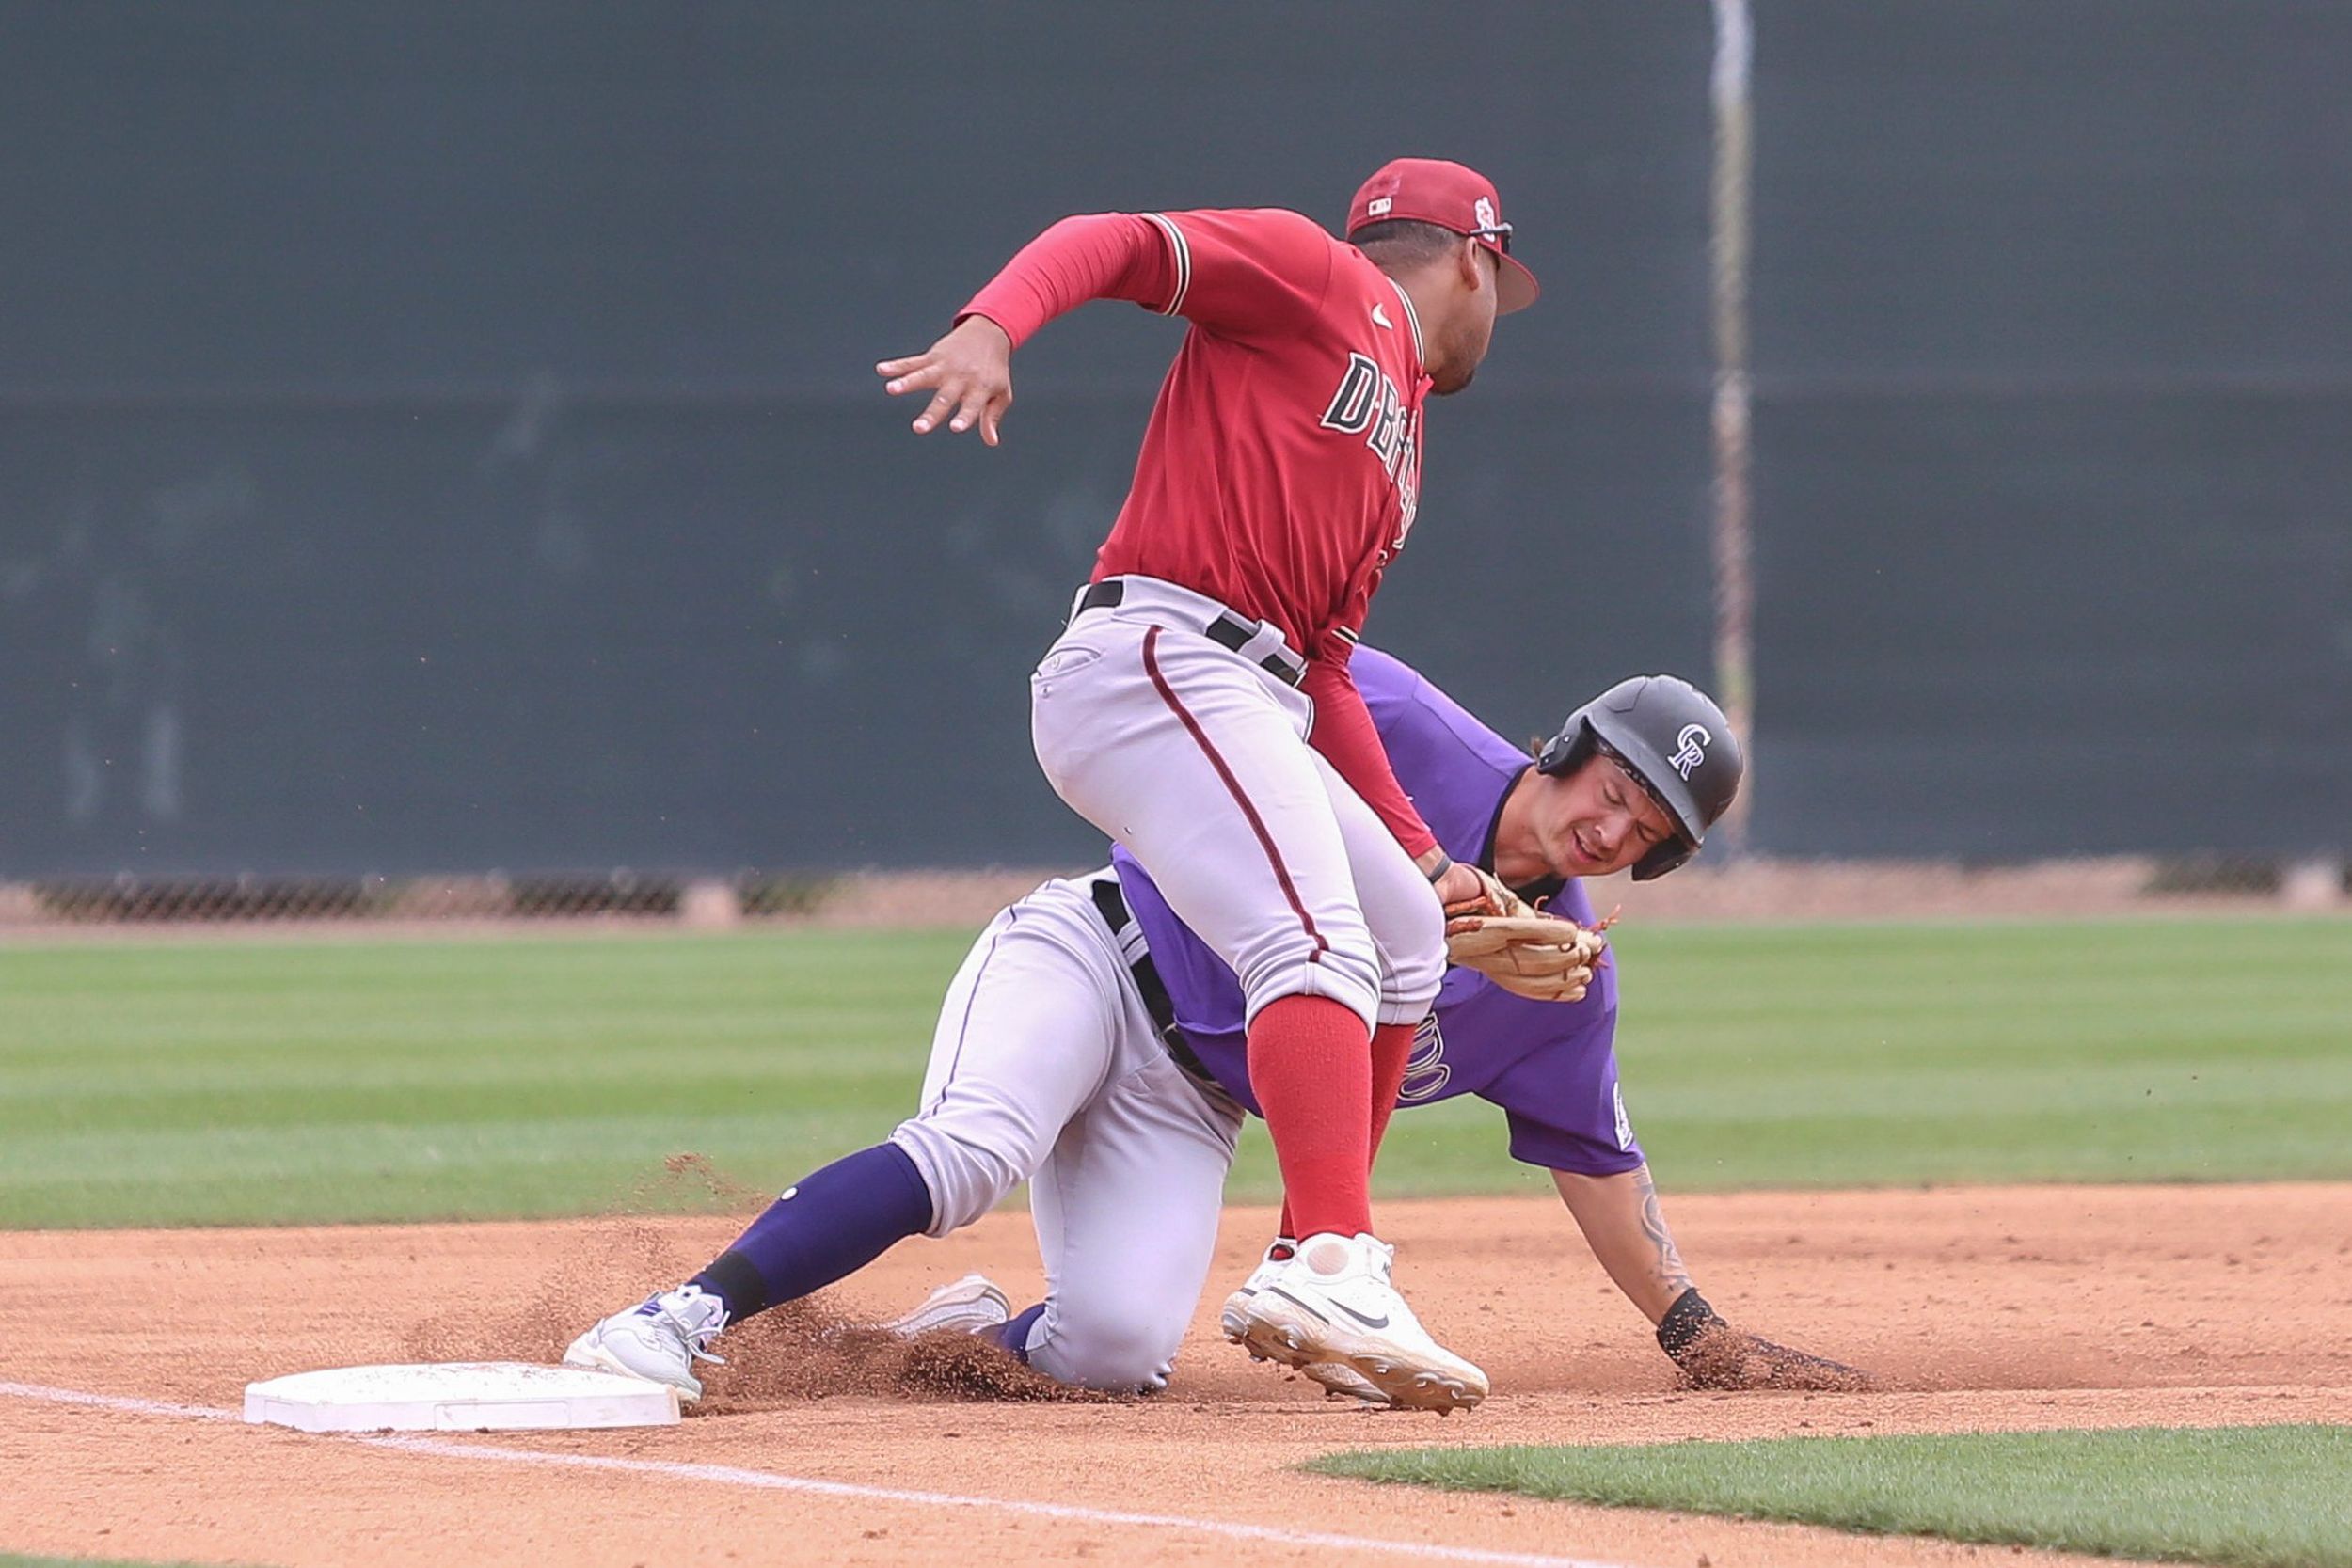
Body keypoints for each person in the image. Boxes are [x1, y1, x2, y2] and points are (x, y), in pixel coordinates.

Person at [564, 651, 1869, 1409]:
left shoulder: (1553, 979)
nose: (1615, 828)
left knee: (1119, 1350)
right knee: (974, 1150)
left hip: (1190, 1096)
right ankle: (680, 1314)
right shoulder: (1409, 732)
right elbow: (1249, 695)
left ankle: (924, 1337)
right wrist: (1412, 875)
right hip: (1100, 951)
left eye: (1652, 833)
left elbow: (1600, 1161)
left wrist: (1692, 1327)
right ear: (1575, 744)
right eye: (1619, 788)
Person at [871, 159, 1540, 1407]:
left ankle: (1310, 1257)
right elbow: (1116, 238)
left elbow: (1329, 672)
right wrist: (992, 322)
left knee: (1397, 933)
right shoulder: (1316, 273)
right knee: (1314, 939)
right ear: (1473, 259)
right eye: (1507, 284)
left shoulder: (1402, 434)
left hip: (1262, 690)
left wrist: (1435, 862)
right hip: (1164, 647)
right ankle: (1335, 1261)